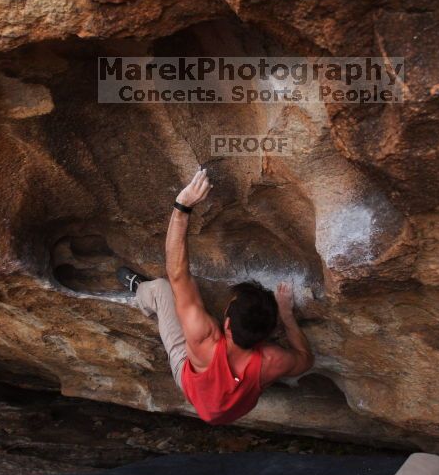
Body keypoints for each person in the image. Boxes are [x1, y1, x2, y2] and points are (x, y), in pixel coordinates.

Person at [119, 167, 314, 424]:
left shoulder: (203, 340)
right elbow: (306, 360)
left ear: (227, 324)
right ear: (267, 335)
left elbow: (177, 274)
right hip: (230, 409)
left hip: (191, 385)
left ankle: (139, 291)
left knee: (161, 289)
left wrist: (182, 206)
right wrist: (287, 315)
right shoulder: (272, 360)